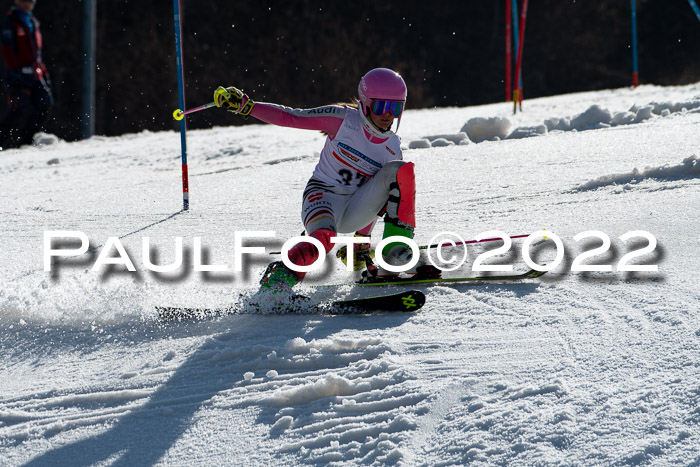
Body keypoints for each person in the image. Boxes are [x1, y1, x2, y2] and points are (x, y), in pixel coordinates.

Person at [214, 68, 437, 293]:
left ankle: (396, 253)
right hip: (322, 196)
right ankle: (277, 283)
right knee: (322, 240)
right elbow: (290, 116)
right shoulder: (341, 119)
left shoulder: (392, 147)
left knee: (400, 172)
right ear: (365, 103)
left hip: (354, 210)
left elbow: (376, 200)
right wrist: (247, 106)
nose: (388, 114)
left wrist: (360, 245)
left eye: (395, 107)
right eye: (381, 106)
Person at [0, 0, 53, 149]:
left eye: (30, 1)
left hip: (35, 74)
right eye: (24, 0)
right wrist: (15, 72)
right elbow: (7, 51)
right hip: (18, 75)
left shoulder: (33, 22)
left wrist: (44, 73)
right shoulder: (11, 22)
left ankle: (26, 142)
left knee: (45, 103)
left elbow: (37, 53)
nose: (27, 4)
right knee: (19, 109)